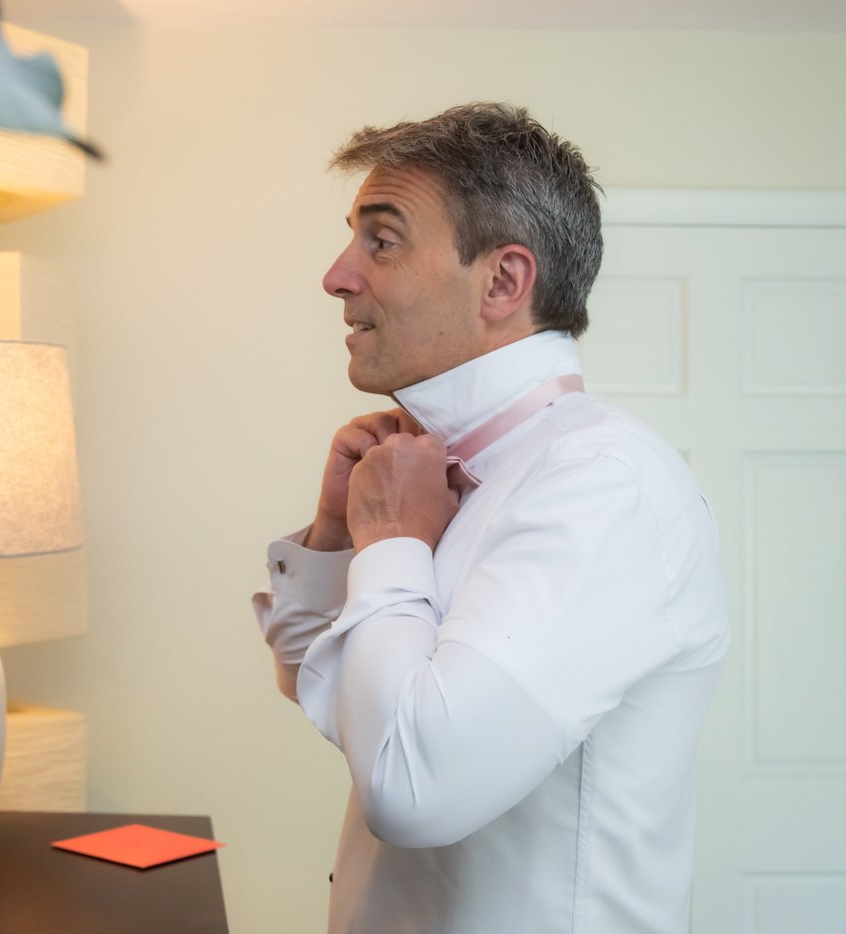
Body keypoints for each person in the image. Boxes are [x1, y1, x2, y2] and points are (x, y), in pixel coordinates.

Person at [252, 103, 730, 934]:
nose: (336, 275)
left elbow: (413, 788)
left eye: (382, 239)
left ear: (504, 283)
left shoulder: (603, 486)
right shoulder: (435, 468)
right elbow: (328, 692)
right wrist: (341, 538)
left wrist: (395, 542)